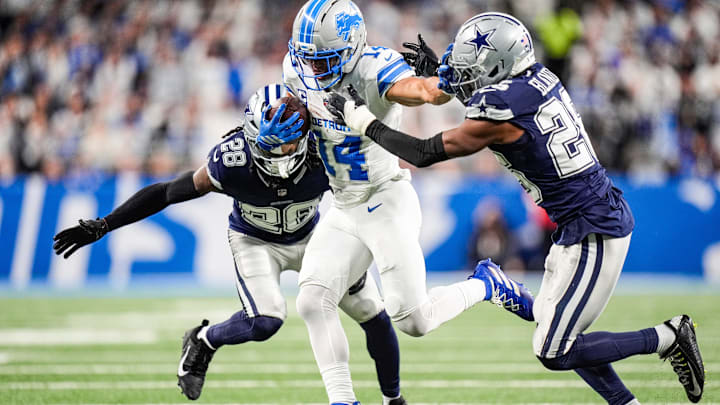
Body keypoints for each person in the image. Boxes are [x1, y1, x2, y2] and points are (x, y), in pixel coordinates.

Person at [325, 12, 705, 405]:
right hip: (584, 218)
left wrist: (363, 121)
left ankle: (669, 335)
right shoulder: (536, 76)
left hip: (594, 228)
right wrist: (443, 72)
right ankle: (502, 288)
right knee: (555, 330)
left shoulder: (500, 110)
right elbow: (494, 98)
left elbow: (422, 153)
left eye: (474, 67)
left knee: (555, 348)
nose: (465, 74)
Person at [52, 83, 407, 404]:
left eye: (287, 143)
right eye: (270, 145)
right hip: (255, 241)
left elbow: (371, 189)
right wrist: (106, 223)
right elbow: (167, 192)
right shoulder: (230, 161)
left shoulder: (324, 151)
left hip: (315, 235)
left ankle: (393, 399)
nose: (280, 154)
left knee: (372, 313)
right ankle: (204, 339)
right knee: (266, 320)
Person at [257, 2, 534, 404]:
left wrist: (441, 80)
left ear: (351, 47)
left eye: (324, 61)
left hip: (385, 197)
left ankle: (485, 284)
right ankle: (343, 400)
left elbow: (424, 92)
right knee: (312, 299)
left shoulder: (373, 67)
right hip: (344, 205)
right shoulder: (297, 68)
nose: (314, 70)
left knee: (413, 320)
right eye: (308, 60)